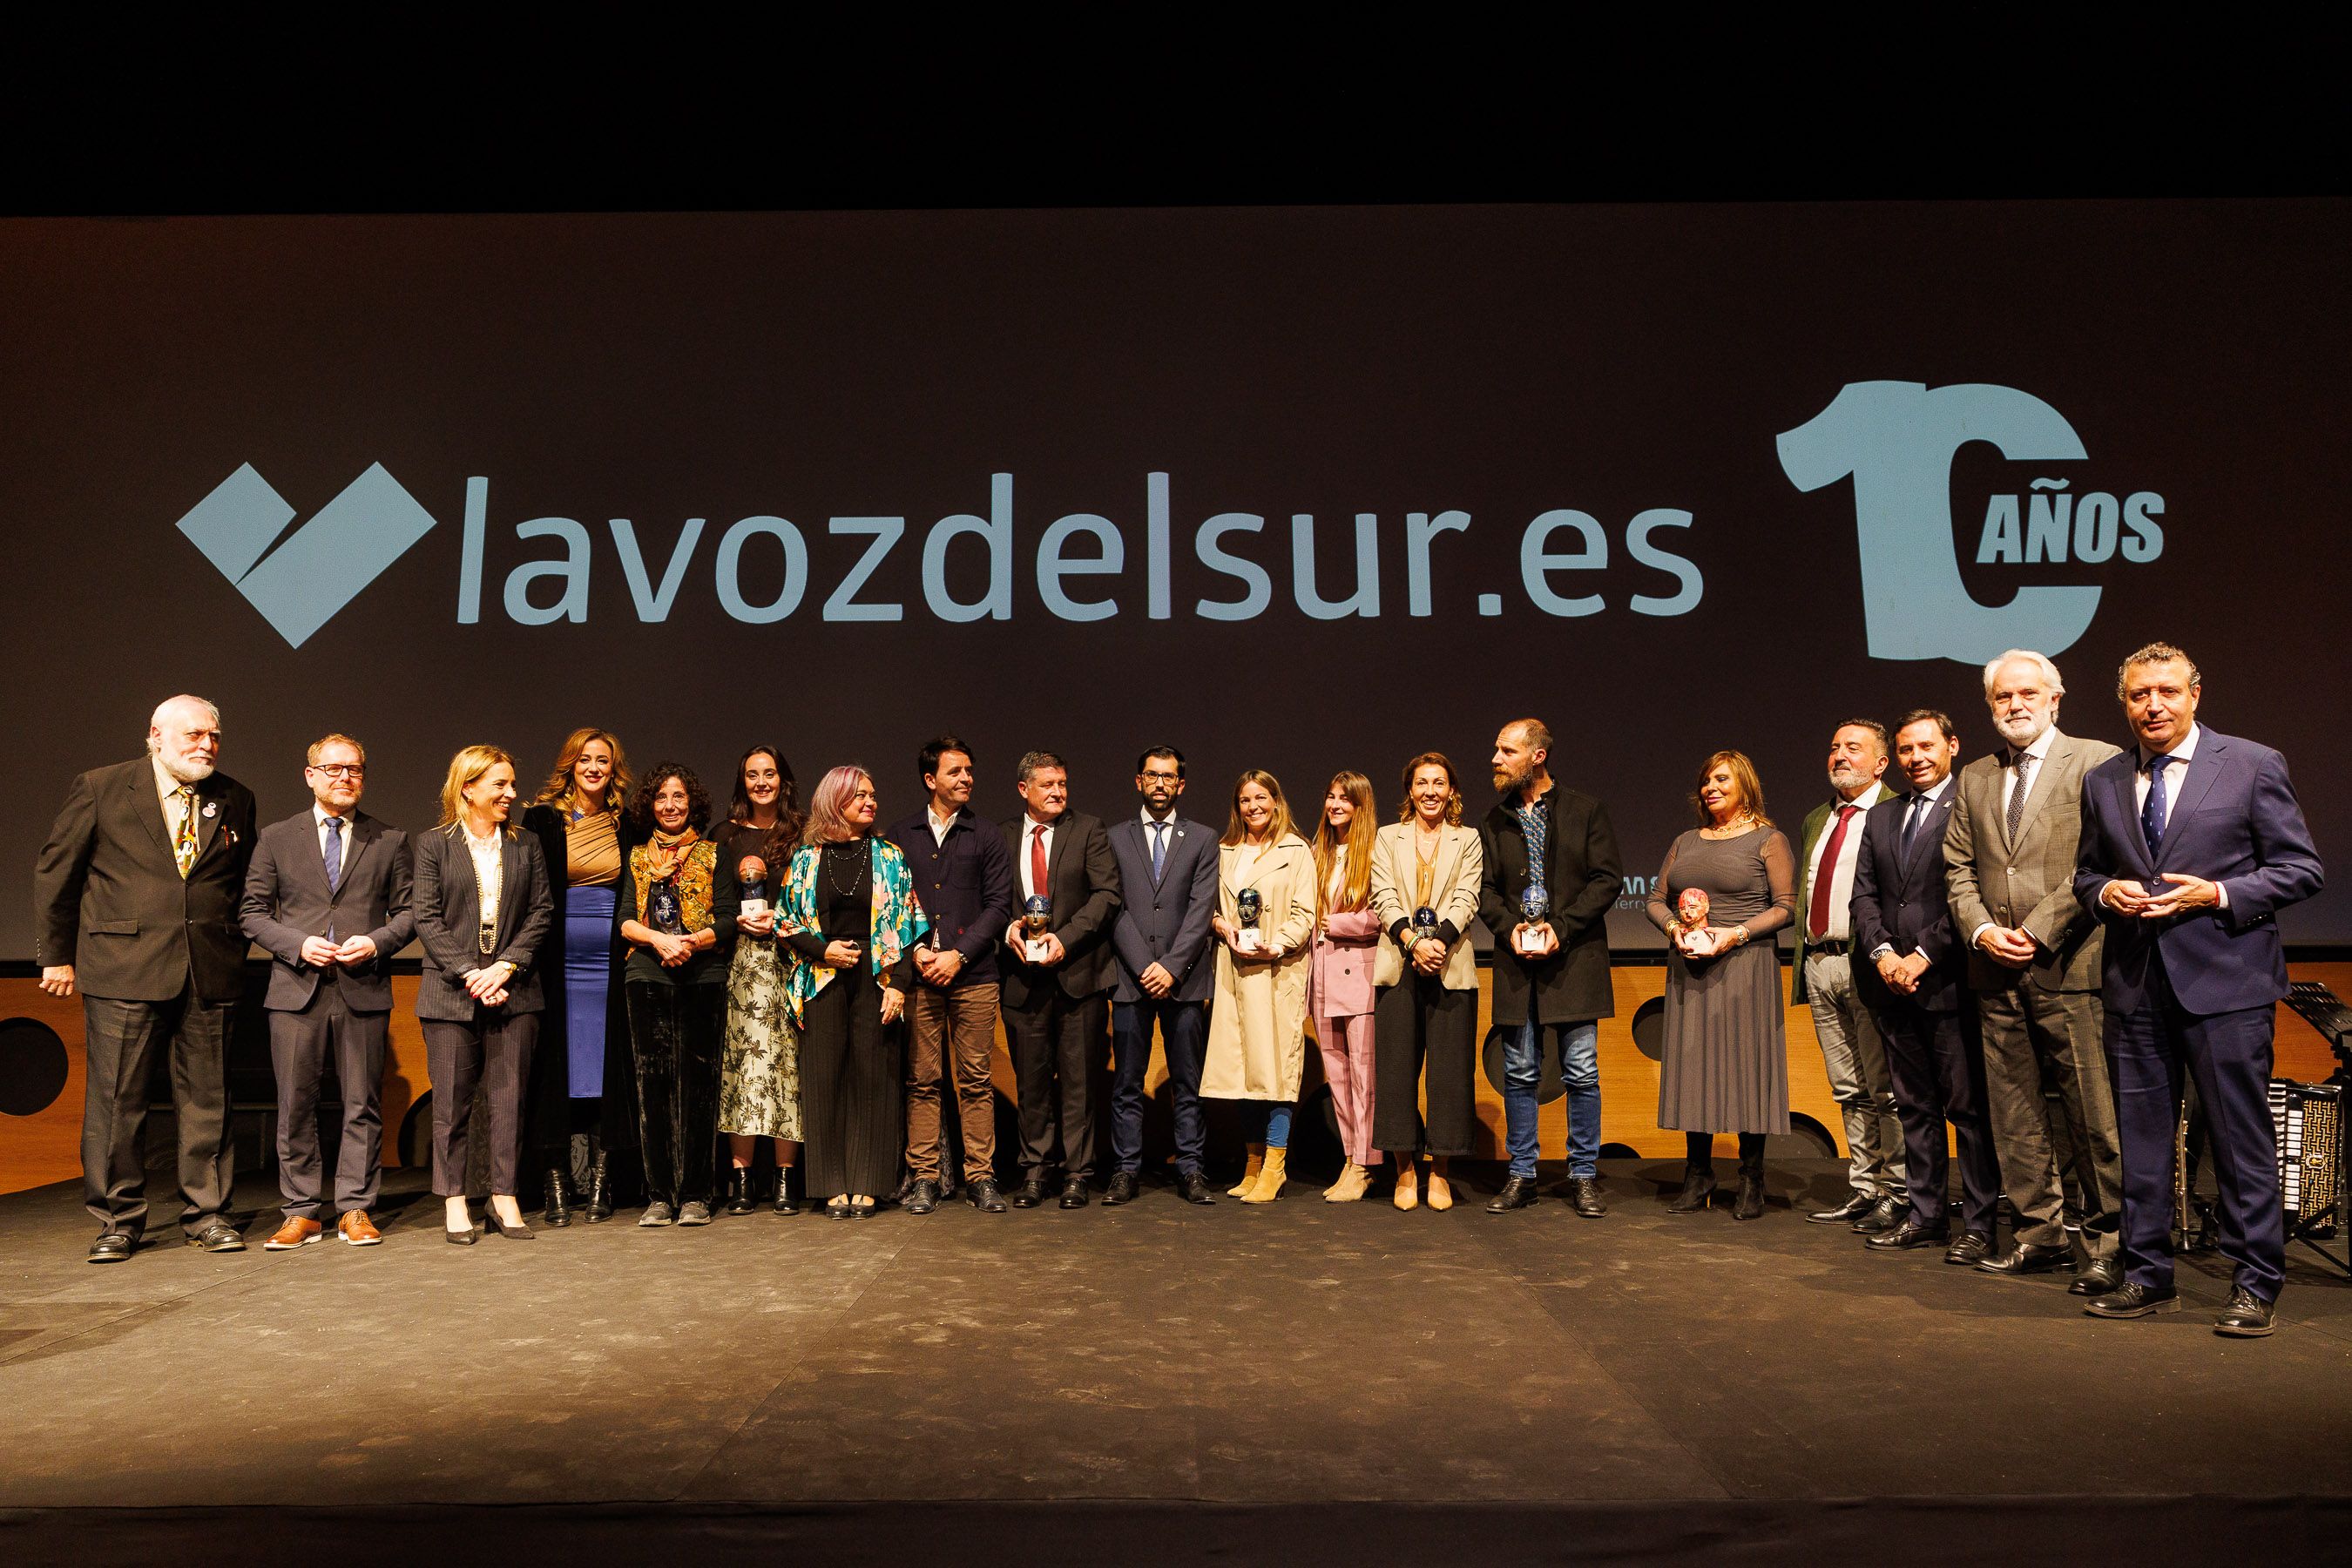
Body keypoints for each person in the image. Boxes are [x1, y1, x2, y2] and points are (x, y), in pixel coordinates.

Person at [2074, 643, 2324, 1335]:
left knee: (2240, 1142)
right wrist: (2105, 894)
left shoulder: (2251, 764)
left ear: (2195, 694)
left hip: (2226, 987)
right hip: (2134, 987)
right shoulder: (2104, 779)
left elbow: (2301, 869)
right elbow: (2085, 876)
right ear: (2122, 703)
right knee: (2142, 1143)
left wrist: (2217, 892)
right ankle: (2148, 1275)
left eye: (2166, 691)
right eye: (2137, 695)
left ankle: (2256, 1284)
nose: (2152, 705)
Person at [35, 695, 257, 1261]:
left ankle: (208, 1214)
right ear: (155, 736)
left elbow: (241, 883)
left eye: (213, 735)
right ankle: (118, 1219)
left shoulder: (235, 797)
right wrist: (55, 956)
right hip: (123, 968)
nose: (206, 745)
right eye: (193, 736)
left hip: (209, 968)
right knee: (116, 1101)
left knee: (209, 1099)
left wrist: (236, 941)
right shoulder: (103, 787)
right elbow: (57, 872)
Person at [1945, 648, 2126, 1293]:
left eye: (2027, 693)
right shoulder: (1973, 776)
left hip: (2070, 964)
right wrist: (1984, 930)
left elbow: (2100, 859)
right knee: (2014, 1112)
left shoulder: (2099, 760)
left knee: (2090, 1112)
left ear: (2056, 698)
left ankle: (2109, 1241)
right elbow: (1957, 869)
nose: (2015, 705)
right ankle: (2038, 1234)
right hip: (1994, 969)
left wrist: (2038, 930)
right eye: (2002, 697)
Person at [238, 733, 414, 1250]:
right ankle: (301, 1211)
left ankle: (356, 1207)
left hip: (362, 988)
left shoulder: (389, 840)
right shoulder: (276, 837)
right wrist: (297, 944)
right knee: (296, 1104)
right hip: (296, 990)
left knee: (362, 1103)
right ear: (310, 775)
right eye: (333, 769)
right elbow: (251, 913)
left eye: (354, 769)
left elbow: (409, 914)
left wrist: (376, 942)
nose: (345, 778)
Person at [1848, 710, 2001, 1264]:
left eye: (1926, 747)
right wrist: (1886, 955)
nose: (1916, 758)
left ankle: (1981, 1225)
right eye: (1906, 749)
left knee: (1968, 1111)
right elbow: (1864, 897)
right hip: (1891, 984)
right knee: (1914, 1107)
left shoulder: (1973, 804)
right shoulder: (1881, 816)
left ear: (1952, 747)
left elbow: (1973, 891)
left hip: (1948, 982)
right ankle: (1926, 1216)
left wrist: (1921, 957)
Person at [1479, 718, 1623, 1216]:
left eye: (1506, 751)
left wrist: (1560, 928)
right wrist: (1510, 929)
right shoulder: (1495, 821)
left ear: (1537, 756)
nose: (1496, 759)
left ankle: (1583, 1174)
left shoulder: (1586, 811)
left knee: (1581, 1071)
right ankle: (1523, 1175)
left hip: (1573, 960)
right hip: (1518, 965)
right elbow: (1485, 891)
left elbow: (1607, 881)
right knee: (1520, 1071)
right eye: (1497, 751)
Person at [412, 745, 555, 1244]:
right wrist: (471, 973)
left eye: (512, 784)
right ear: (467, 788)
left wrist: (505, 967)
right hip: (451, 993)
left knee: (509, 1099)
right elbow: (425, 917)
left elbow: (541, 912)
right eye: (500, 785)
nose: (511, 795)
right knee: (451, 1101)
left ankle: (503, 1196)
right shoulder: (433, 845)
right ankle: (455, 1200)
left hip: (515, 990)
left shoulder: (525, 844)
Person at [1646, 751, 1797, 1221]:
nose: (1710, 788)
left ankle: (1751, 1176)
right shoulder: (1686, 840)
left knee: (1747, 1065)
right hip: (1690, 970)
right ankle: (1699, 1173)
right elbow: (1655, 899)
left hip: (1745, 967)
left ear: (1745, 785)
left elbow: (1786, 907)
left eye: (1721, 779)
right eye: (1705, 781)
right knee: (1694, 1067)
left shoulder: (1768, 840)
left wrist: (1732, 935)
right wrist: (1677, 931)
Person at [780, 767, 923, 1219]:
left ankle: (869, 1183)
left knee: (874, 1077)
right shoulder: (806, 859)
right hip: (823, 974)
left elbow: (908, 923)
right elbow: (786, 921)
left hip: (876, 976)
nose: (871, 802)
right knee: (824, 1078)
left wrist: (899, 985)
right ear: (834, 800)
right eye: (860, 795)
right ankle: (830, 1183)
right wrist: (825, 950)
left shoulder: (889, 856)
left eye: (873, 795)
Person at [885, 736, 1015, 1215]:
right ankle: (925, 1176)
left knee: (976, 1079)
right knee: (922, 1080)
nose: (966, 779)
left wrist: (958, 954)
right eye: (955, 771)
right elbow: (895, 905)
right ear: (930, 779)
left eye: (969, 771)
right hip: (920, 978)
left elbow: (1000, 905)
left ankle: (981, 1175)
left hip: (974, 975)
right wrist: (917, 952)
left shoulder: (986, 835)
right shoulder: (902, 834)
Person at [1791, 720, 1906, 1233]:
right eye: (1834, 746)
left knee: (1885, 1088)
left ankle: (1898, 1191)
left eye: (1852, 748)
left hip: (1870, 964)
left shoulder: (1898, 813)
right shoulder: (1820, 817)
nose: (1839, 755)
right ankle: (1865, 1186)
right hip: (1820, 962)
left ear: (1882, 763)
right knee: (1847, 1088)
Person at [616, 763, 740, 1227]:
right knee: (654, 1087)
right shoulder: (636, 857)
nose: (670, 806)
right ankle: (659, 1195)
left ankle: (695, 1195)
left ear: (693, 804)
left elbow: (728, 918)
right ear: (651, 804)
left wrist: (692, 941)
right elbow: (625, 920)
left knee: (699, 1086)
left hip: (703, 974)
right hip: (648, 973)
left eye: (679, 798)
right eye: (662, 798)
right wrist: (658, 940)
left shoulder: (713, 854)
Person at [998, 751, 1123, 1210]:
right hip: (1022, 981)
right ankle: (1034, 1171)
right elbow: (992, 899)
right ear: (1023, 789)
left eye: (1063, 784)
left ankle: (1077, 1173)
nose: (1057, 792)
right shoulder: (1003, 835)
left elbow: (1108, 894)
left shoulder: (1088, 829)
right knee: (1031, 1084)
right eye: (1048, 785)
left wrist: (1064, 940)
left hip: (1078, 977)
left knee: (1080, 1082)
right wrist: (1009, 927)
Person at [521, 727, 636, 1225]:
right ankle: (555, 1182)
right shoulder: (541, 819)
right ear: (570, 764)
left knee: (606, 1071)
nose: (593, 768)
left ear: (614, 769)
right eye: (585, 759)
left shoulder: (627, 823)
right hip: (552, 963)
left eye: (603, 761)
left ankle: (600, 1184)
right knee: (555, 1071)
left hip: (610, 964)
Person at [1103, 747, 1221, 1206]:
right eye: (1152, 775)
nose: (1159, 784)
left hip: (1185, 980)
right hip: (1131, 980)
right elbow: (1113, 906)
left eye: (1168, 777)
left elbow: (1200, 909)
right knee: (1127, 1081)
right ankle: (1125, 1170)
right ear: (1139, 781)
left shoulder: (1203, 838)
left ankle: (1192, 1168)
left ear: (1181, 785)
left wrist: (1170, 968)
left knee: (1188, 1082)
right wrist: (1143, 964)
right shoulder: (1113, 838)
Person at [1370, 754, 1484, 1212]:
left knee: (1450, 1074)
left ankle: (1439, 1172)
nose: (1431, 791)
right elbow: (1383, 893)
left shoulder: (1469, 838)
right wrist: (1412, 942)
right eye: (1422, 783)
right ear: (1410, 791)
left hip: (1450, 963)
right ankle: (1404, 1171)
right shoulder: (1386, 837)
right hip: (1398, 963)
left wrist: (1435, 944)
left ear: (1451, 791)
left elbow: (1468, 895)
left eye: (1439, 783)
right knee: (1397, 1072)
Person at [1203, 770, 1316, 1204]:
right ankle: (1251, 1163)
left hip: (1277, 972)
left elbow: (1306, 913)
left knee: (1277, 1072)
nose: (1253, 806)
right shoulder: (1225, 851)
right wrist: (1222, 928)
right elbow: (1211, 907)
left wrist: (1277, 945)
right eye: (1245, 800)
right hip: (1234, 972)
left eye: (1261, 798)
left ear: (1276, 801)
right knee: (1241, 1069)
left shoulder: (1296, 850)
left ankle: (1275, 1166)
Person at [717, 746, 806, 1216]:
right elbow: (714, 907)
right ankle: (743, 1181)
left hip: (794, 960)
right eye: (752, 775)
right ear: (742, 783)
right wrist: (737, 921)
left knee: (787, 1069)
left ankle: (787, 1179)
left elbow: (817, 899)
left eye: (769, 773)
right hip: (743, 967)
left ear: (782, 779)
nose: (761, 783)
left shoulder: (806, 834)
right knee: (745, 1070)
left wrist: (784, 916)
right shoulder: (725, 836)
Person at [1307, 771, 1382, 1203]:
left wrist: (1333, 923)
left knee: (1363, 1077)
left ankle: (1366, 1163)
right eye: (1331, 796)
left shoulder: (1374, 852)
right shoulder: (1318, 851)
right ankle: (1349, 1157)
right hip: (1320, 978)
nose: (1335, 804)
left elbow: (1381, 915)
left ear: (1361, 805)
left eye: (1345, 799)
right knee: (1337, 1077)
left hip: (1359, 978)